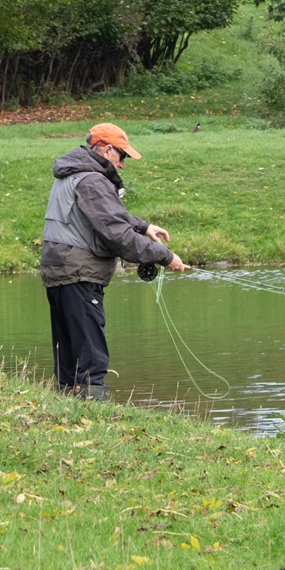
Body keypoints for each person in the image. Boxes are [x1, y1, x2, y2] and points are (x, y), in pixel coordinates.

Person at [40, 122, 187, 399]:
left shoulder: (71, 174)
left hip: (58, 269)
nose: (123, 164)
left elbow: (104, 214)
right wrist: (165, 256)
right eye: (123, 155)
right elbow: (118, 235)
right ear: (107, 150)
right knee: (90, 353)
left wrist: (144, 226)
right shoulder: (92, 180)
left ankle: (66, 405)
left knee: (68, 351)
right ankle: (92, 410)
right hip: (79, 272)